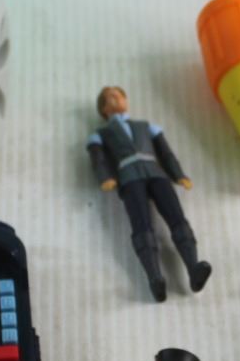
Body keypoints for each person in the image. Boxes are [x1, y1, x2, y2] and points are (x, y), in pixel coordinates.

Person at [86, 86, 211, 301]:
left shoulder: (146, 126)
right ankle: (155, 278)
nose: (115, 99)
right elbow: (98, 160)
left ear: (126, 100)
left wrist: (178, 174)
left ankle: (193, 268)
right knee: (142, 226)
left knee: (177, 219)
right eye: (109, 98)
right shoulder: (100, 134)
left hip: (157, 173)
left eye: (118, 95)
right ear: (103, 109)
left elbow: (165, 152)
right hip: (129, 178)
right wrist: (105, 178)